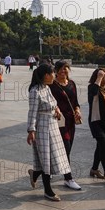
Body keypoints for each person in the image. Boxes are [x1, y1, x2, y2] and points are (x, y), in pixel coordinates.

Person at [26, 64, 72, 202]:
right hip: (42, 128)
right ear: (46, 75)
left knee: (53, 158)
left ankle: (35, 173)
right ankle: (48, 190)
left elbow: (53, 103)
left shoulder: (47, 88)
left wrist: (56, 109)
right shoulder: (35, 91)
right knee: (46, 159)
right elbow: (32, 113)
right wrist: (31, 130)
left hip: (53, 125)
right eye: (52, 73)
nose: (54, 75)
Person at [49, 61, 82, 190]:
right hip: (58, 120)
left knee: (67, 147)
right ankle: (68, 178)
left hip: (70, 121)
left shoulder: (72, 84)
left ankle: (49, 167)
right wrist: (55, 108)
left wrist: (78, 110)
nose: (63, 71)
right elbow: (49, 101)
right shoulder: (52, 84)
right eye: (60, 69)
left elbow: (76, 102)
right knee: (66, 148)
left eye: (66, 68)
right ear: (56, 71)